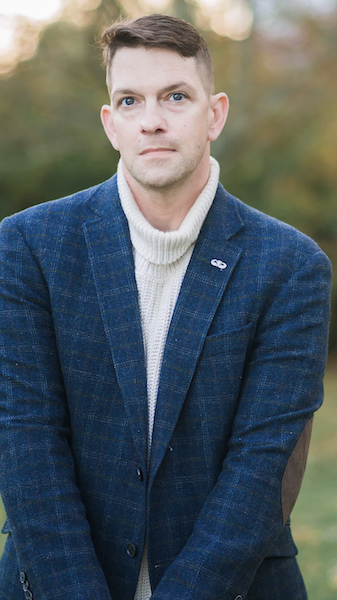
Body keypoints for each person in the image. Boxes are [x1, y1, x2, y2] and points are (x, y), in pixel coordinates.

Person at [0, 13, 331, 600]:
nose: (151, 120)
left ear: (215, 114)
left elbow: (261, 472)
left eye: (175, 96)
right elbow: (27, 445)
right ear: (110, 123)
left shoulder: (291, 266)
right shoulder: (28, 246)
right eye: (130, 101)